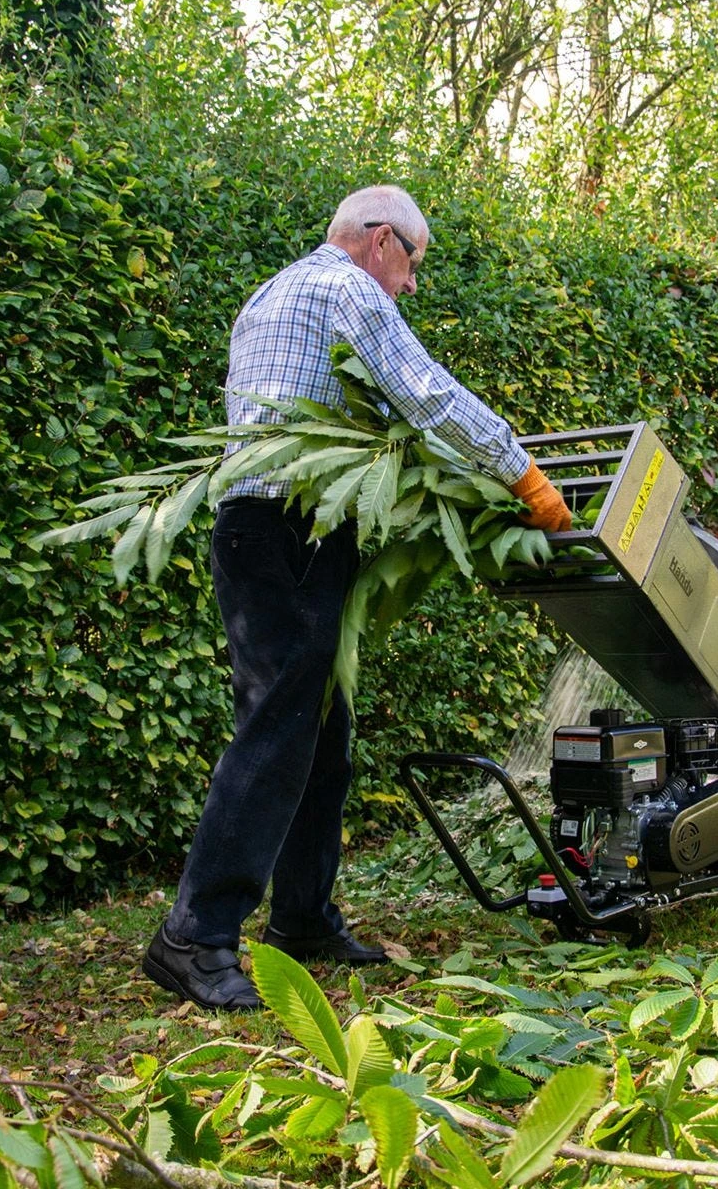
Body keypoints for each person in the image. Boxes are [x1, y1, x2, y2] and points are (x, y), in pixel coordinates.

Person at [142, 185, 571, 1011]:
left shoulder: (271, 293)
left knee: (320, 730)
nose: (409, 285)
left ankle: (301, 918)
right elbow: (425, 391)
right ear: (381, 241)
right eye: (413, 265)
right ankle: (194, 936)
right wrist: (520, 473)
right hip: (291, 529)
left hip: (256, 529)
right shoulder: (345, 287)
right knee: (277, 729)